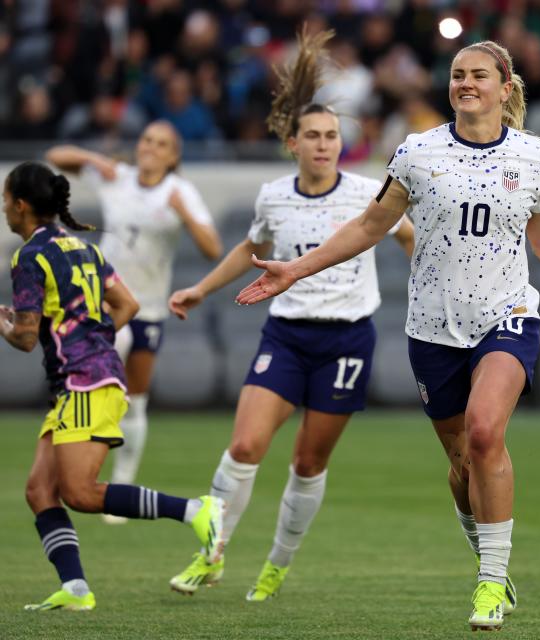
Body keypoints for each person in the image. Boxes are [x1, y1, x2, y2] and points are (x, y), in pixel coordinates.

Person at [234, 40, 540, 630]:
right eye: (458, 75)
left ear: (505, 87)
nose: (466, 83)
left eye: (479, 75)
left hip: (508, 315)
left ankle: (491, 582)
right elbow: (370, 225)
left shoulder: (532, 155)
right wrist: (295, 269)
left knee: (487, 433)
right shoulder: (417, 152)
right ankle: (490, 562)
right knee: (464, 463)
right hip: (433, 329)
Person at [165, 29, 415, 602]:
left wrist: (430, 273)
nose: (325, 144)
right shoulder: (273, 195)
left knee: (306, 462)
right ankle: (212, 553)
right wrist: (201, 289)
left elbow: (406, 236)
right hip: (287, 334)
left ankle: (277, 563)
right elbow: (248, 249)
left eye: (332, 135)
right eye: (314, 136)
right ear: (293, 144)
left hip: (347, 341)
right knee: (246, 446)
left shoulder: (366, 194)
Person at [0, 161, 224, 612]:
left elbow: (25, 337)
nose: (4, 208)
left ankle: (195, 511)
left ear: (21, 206)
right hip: (86, 377)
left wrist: (8, 324)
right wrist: (92, 336)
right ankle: (76, 589)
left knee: (80, 493)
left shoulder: (29, 256)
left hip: (85, 382)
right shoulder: (83, 248)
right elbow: (128, 303)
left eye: (6, 200)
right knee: (40, 492)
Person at [46, 120, 223, 523]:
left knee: (136, 401)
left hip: (150, 308)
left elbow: (212, 247)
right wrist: (95, 159)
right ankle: (76, 466)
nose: (151, 148)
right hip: (106, 303)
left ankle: (123, 478)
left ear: (173, 155)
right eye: (146, 140)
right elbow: (55, 156)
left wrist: (184, 214)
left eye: (162, 144)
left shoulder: (180, 192)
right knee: (100, 381)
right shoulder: (118, 177)